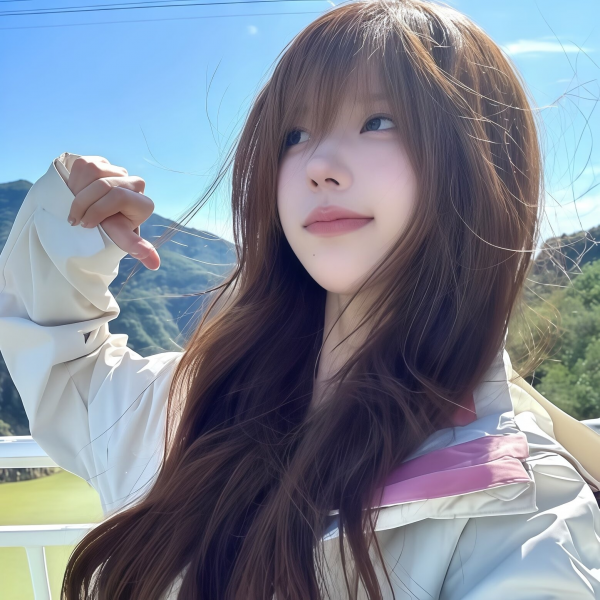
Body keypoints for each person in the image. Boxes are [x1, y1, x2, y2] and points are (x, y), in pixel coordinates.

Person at [1, 0, 599, 598]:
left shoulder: (522, 513)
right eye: (295, 134)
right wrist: (65, 223)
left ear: (481, 156)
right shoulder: (192, 405)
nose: (319, 165)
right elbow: (67, 373)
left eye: (379, 121)